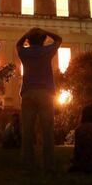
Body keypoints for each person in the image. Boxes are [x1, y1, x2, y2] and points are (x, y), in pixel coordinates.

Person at [16, 27, 62, 171]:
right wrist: (46, 31)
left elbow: (18, 44)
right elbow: (59, 39)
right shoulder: (46, 51)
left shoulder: (25, 53)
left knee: (27, 130)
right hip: (46, 94)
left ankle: (27, 163)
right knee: (47, 130)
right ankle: (49, 164)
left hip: (28, 93)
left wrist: (27, 33)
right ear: (42, 40)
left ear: (29, 40)